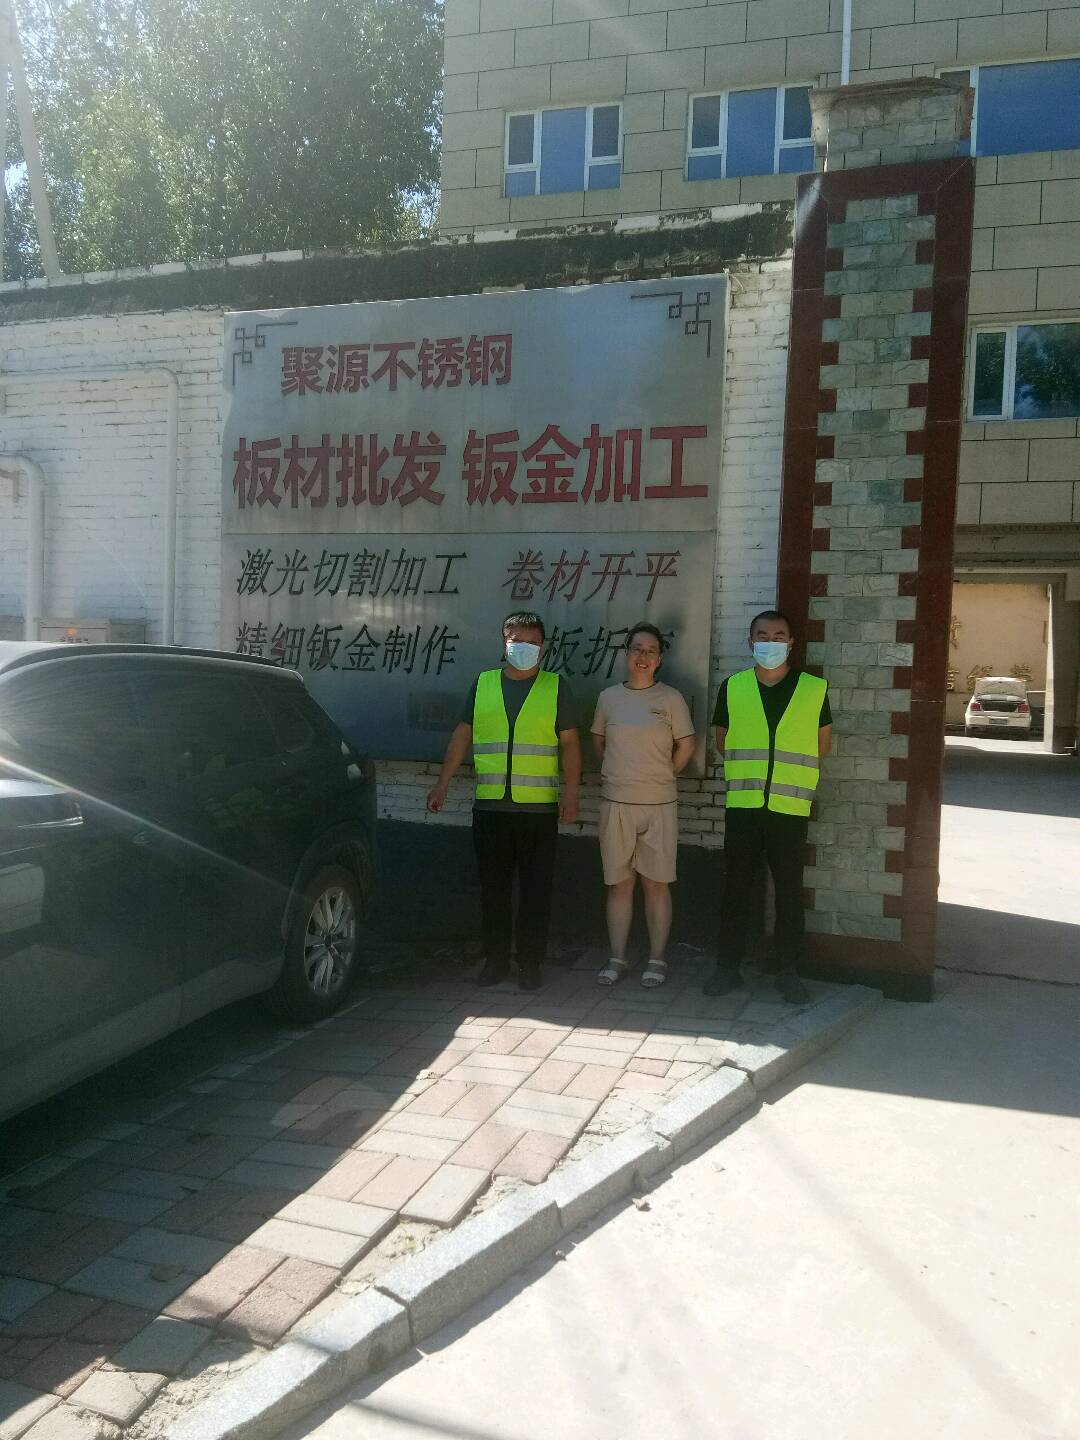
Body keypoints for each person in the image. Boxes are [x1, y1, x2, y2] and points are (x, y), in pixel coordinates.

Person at [426, 612, 580, 991]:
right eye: (517, 640)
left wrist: (572, 793)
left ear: (543, 647)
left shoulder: (556, 687)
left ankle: (530, 963)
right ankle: (495, 961)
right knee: (492, 891)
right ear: (504, 642)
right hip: (491, 809)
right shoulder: (483, 684)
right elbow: (462, 736)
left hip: (538, 810)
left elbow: (571, 744)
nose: (524, 648)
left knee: (536, 892)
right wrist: (442, 784)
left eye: (532, 642)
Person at [705, 609, 832, 1005]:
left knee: (790, 892)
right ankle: (727, 968)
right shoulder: (734, 686)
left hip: (789, 808)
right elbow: (721, 741)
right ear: (750, 642)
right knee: (735, 888)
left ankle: (788, 970)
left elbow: (822, 745)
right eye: (763, 635)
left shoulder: (813, 689)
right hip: (744, 806)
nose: (771, 642)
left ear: (791, 643)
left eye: (779, 636)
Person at [591, 623, 696, 989]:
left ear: (660, 659)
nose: (643, 656)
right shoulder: (608, 698)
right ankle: (617, 957)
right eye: (637, 648)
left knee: (656, 884)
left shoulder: (671, 699)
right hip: (616, 803)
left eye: (651, 650)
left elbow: (686, 745)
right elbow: (598, 742)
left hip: (659, 805)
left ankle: (657, 958)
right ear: (626, 653)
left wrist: (665, 774)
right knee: (619, 885)